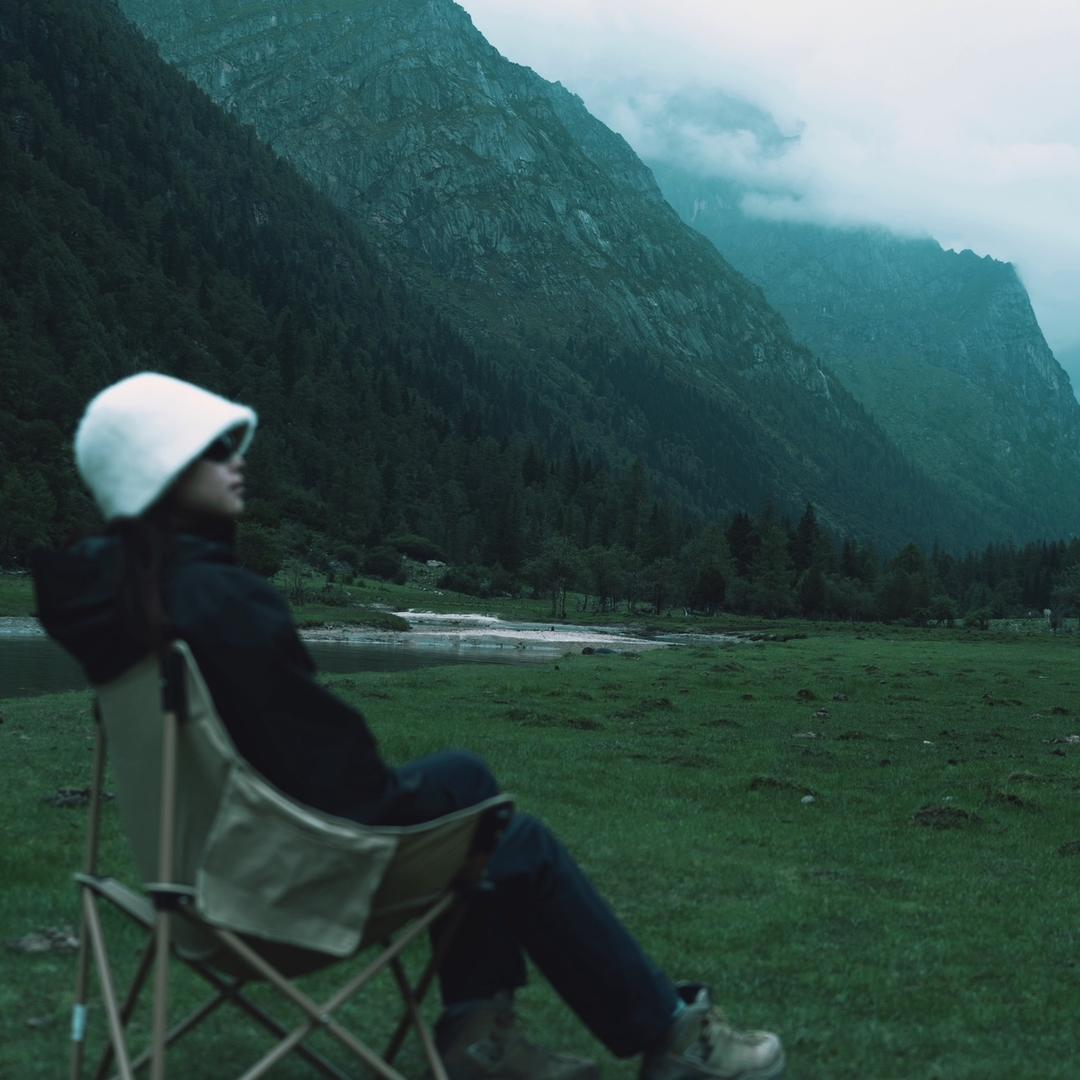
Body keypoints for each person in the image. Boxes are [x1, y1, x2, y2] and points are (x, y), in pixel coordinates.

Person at [34, 372, 785, 1080]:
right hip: (276, 891)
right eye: (214, 449)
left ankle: (481, 1035)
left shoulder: (122, 608)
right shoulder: (221, 601)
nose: (239, 461)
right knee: (505, 835)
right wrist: (424, 821)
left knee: (462, 777)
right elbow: (337, 777)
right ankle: (673, 1035)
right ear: (161, 473)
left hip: (187, 882)